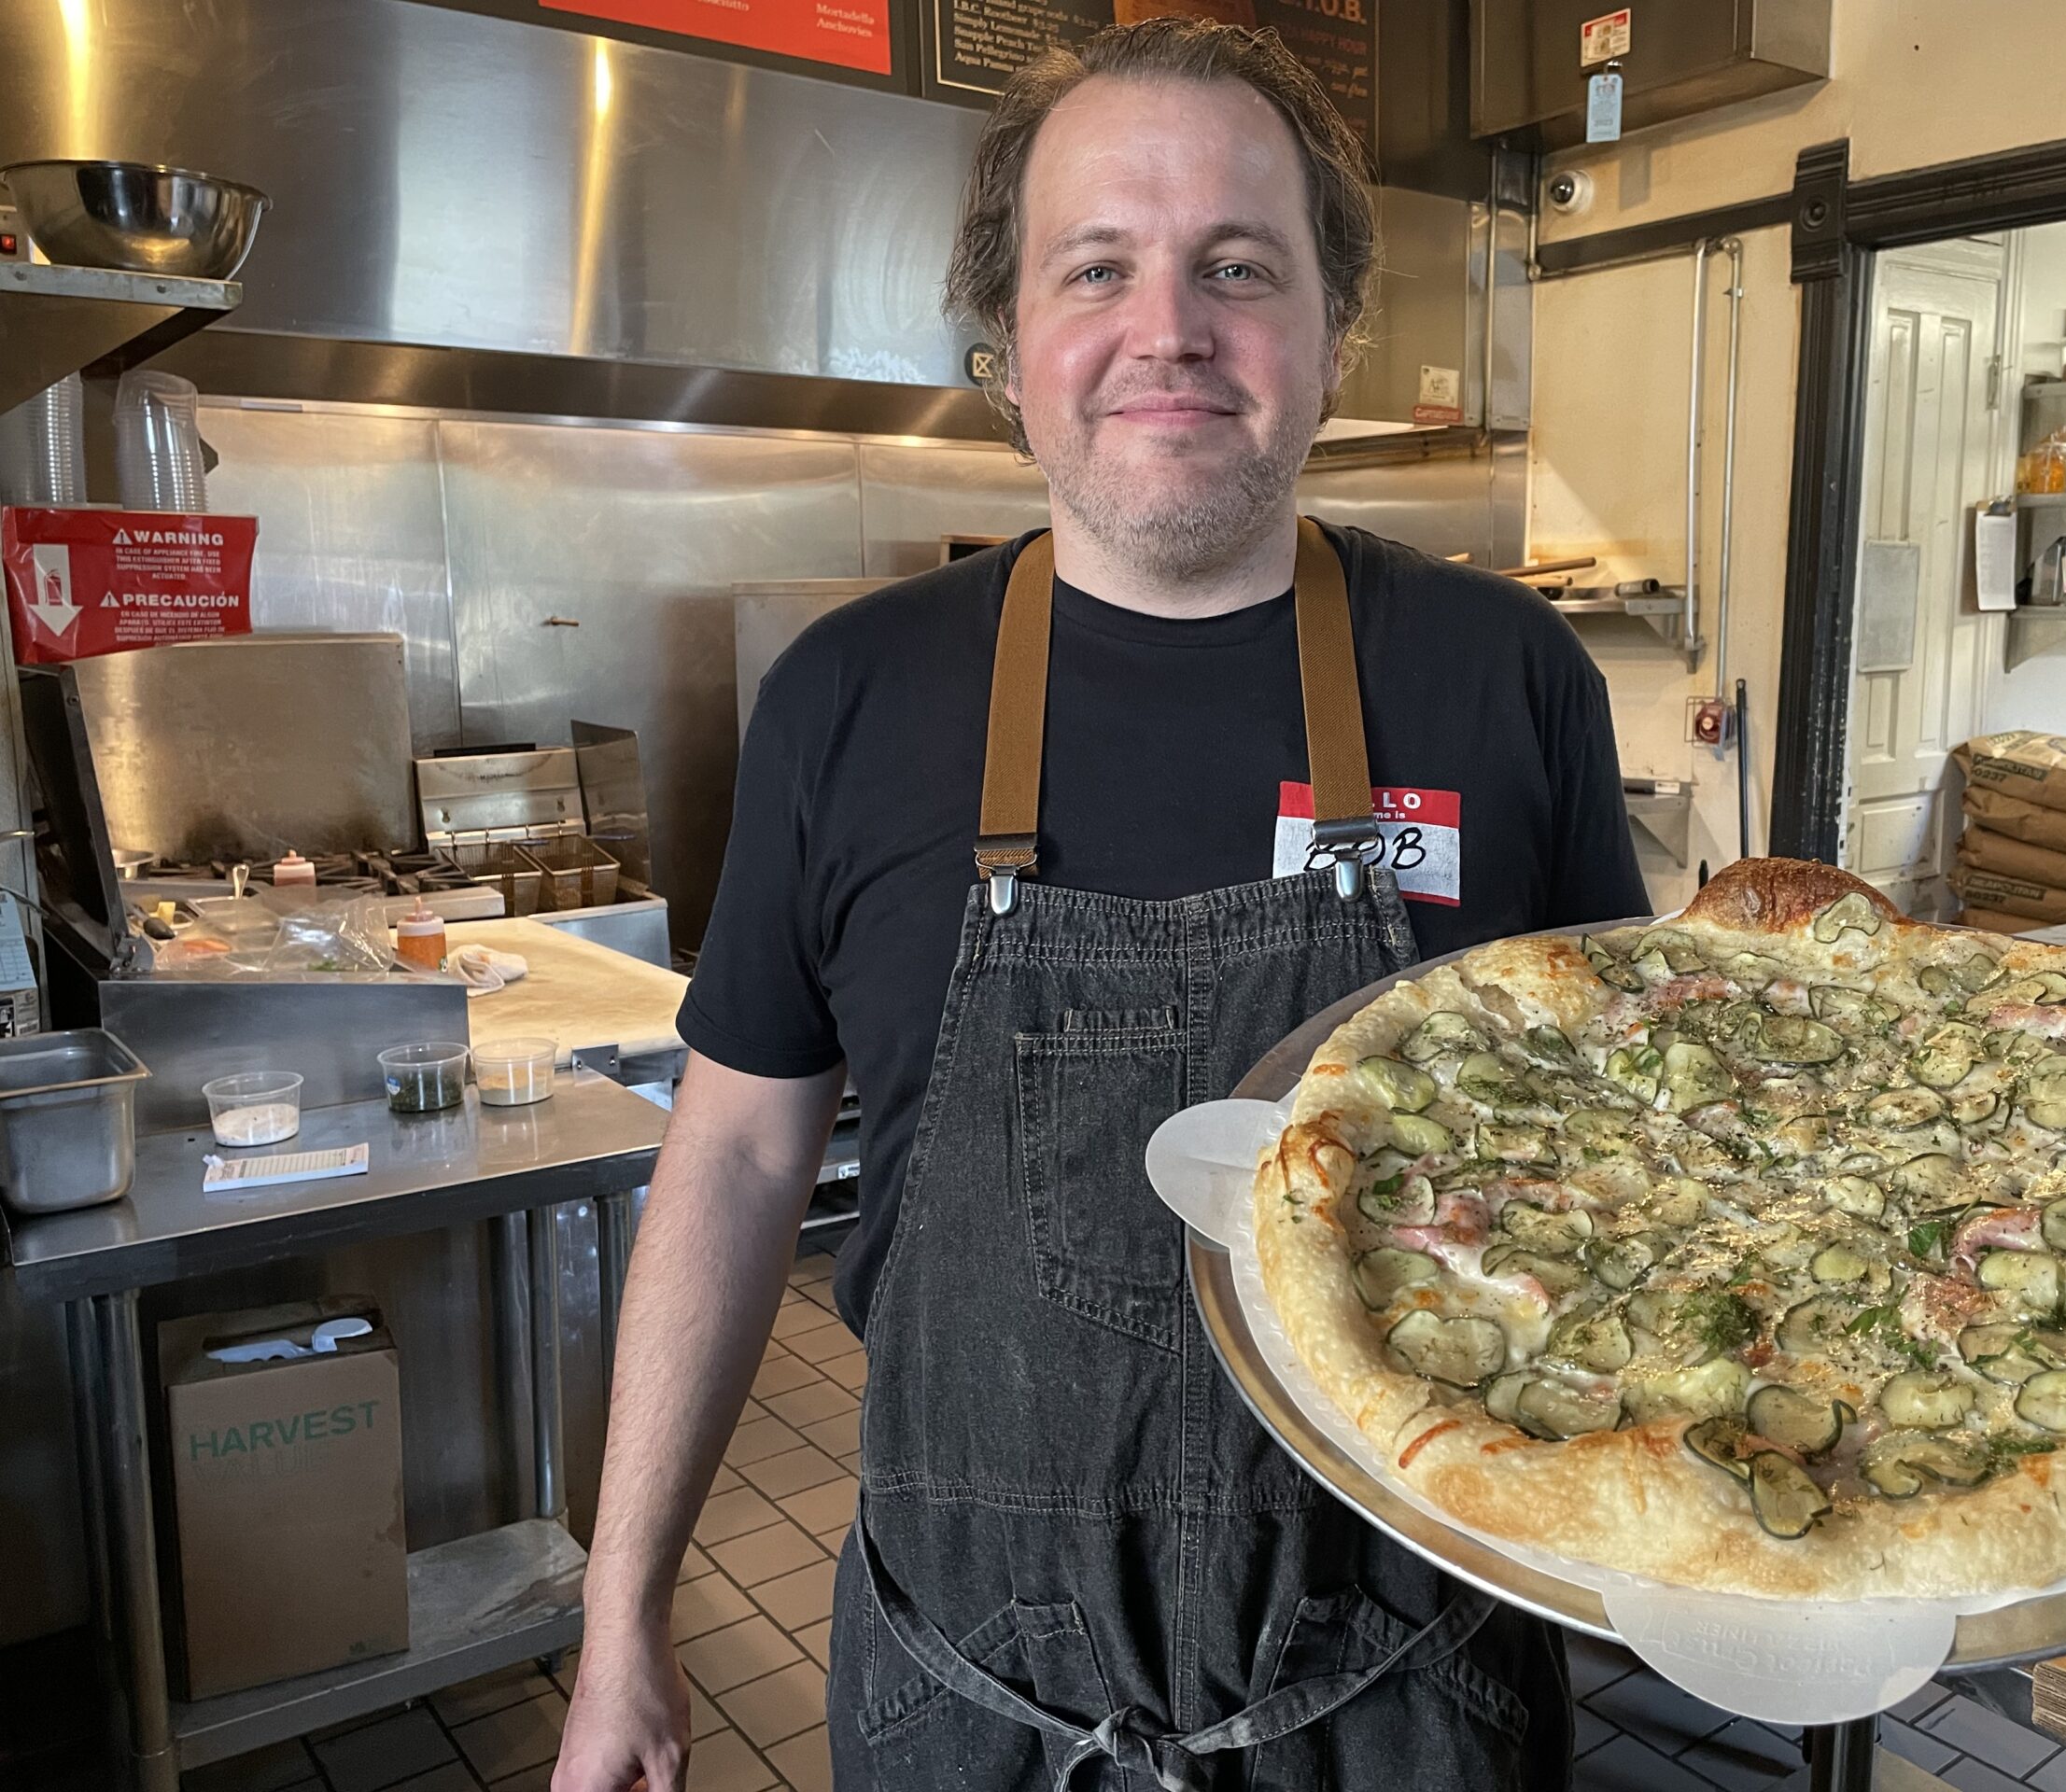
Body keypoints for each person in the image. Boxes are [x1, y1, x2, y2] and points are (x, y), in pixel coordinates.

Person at [554, 20, 1648, 1790]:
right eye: (1097, 268)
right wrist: (623, 1619)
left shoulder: (1505, 676)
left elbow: (1632, 1145)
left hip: (1414, 1689)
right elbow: (744, 1155)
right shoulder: (852, 696)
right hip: (963, 1707)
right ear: (1007, 343)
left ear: (1334, 329)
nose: (1170, 331)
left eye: (1237, 265)